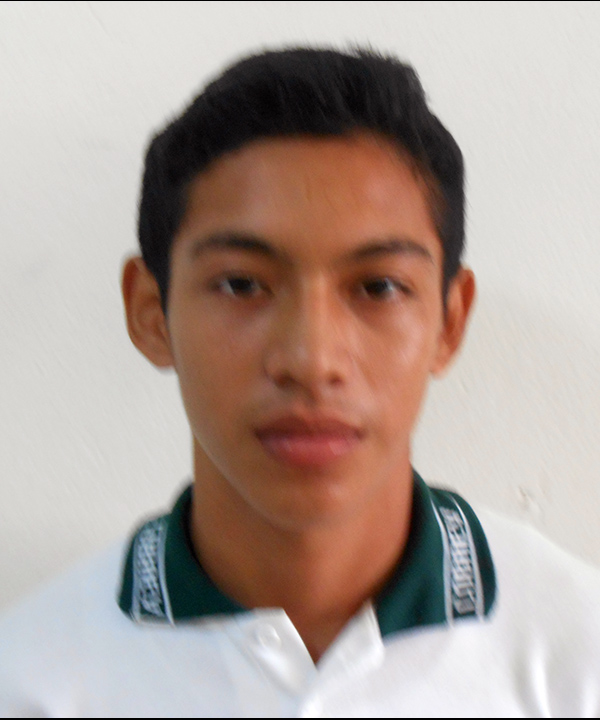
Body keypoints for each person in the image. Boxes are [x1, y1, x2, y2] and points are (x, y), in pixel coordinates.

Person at [1, 47, 599, 718]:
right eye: (241, 284)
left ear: (449, 322)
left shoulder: (578, 658)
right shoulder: (30, 683)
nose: (312, 360)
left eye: (378, 287)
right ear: (150, 313)